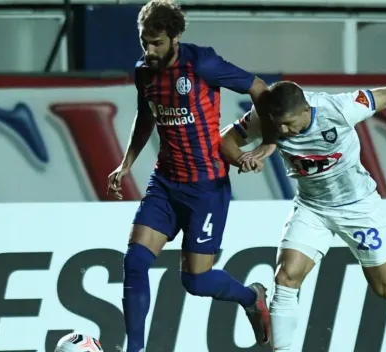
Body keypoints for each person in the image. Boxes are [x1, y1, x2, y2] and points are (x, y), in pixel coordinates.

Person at [220, 80, 386, 351]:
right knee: (286, 278)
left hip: (357, 208)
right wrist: (242, 158)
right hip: (312, 207)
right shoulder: (266, 117)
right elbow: (225, 139)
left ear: (305, 111)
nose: (282, 131)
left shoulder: (338, 109)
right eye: (277, 124)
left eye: (288, 123)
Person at [106, 1, 271, 351]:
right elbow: (146, 116)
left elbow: (259, 88)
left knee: (195, 282)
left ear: (176, 37)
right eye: (143, 42)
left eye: (157, 43)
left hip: (205, 188)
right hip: (165, 182)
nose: (149, 51)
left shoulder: (203, 64)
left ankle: (250, 297)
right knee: (135, 260)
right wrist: (126, 163)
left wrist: (266, 144)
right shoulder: (144, 72)